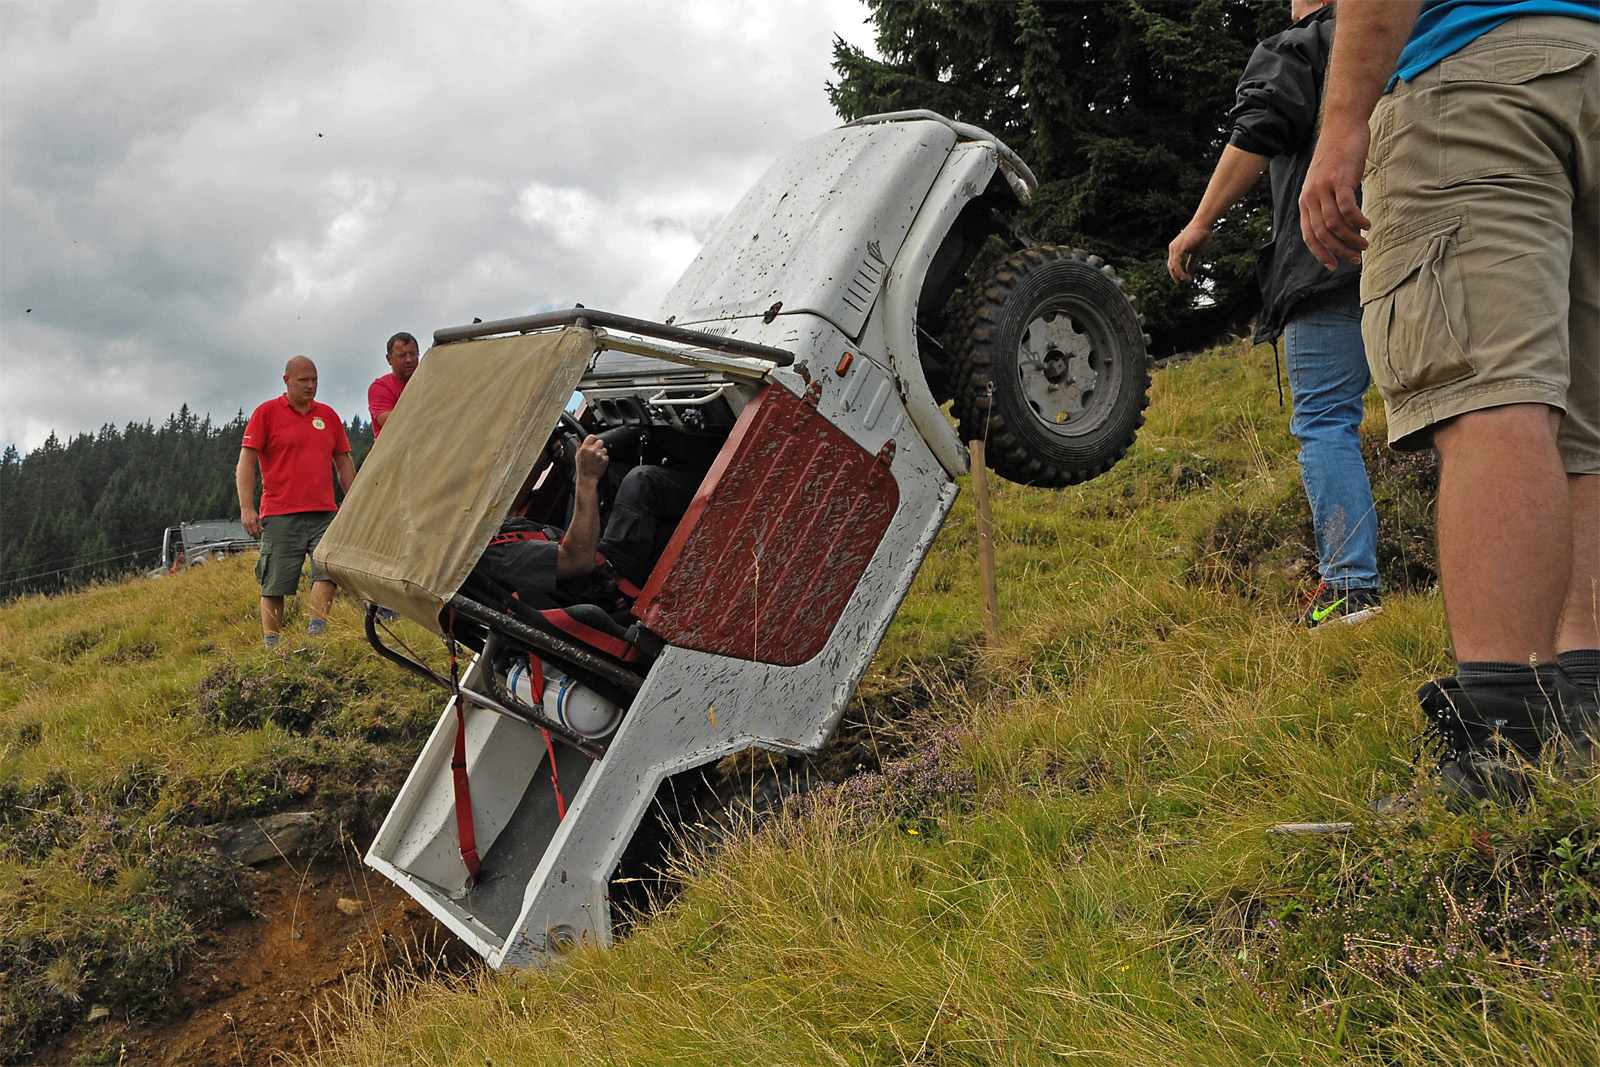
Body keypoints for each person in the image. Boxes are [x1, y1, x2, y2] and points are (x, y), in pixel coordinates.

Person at [1299, 0, 1597, 802]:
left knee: (1489, 392)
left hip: (1483, 78)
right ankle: (1585, 698)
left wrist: (1344, 122)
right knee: (1584, 421)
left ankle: (1507, 740)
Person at [1168, 0, 1382, 628]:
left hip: (1329, 260)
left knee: (1325, 418)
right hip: (1417, 248)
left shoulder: (1303, 44)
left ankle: (1351, 587)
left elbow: (1258, 130)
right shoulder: (1416, 33)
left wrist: (1200, 222)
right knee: (1452, 409)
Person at [237, 356, 356, 648]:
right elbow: (246, 463)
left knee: (327, 570)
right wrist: (247, 508)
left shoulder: (327, 416)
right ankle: (272, 645)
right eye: (304, 380)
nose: (311, 385)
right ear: (287, 380)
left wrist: (354, 502)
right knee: (275, 581)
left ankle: (315, 636)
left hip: (325, 512)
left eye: (314, 379)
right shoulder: (266, 413)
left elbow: (343, 463)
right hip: (279, 514)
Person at [368, 332, 419, 438]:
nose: (409, 360)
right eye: (402, 355)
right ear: (389, 359)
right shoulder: (380, 388)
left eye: (412, 354)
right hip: (394, 452)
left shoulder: (429, 383)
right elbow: (392, 424)